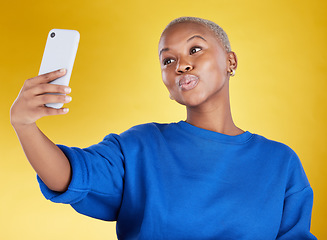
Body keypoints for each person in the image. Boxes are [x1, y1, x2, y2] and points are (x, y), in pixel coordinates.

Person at [10, 16, 316, 239]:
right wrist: (24, 125)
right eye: (168, 60)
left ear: (230, 61)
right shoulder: (140, 146)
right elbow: (69, 176)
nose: (181, 64)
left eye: (195, 49)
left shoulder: (280, 163)